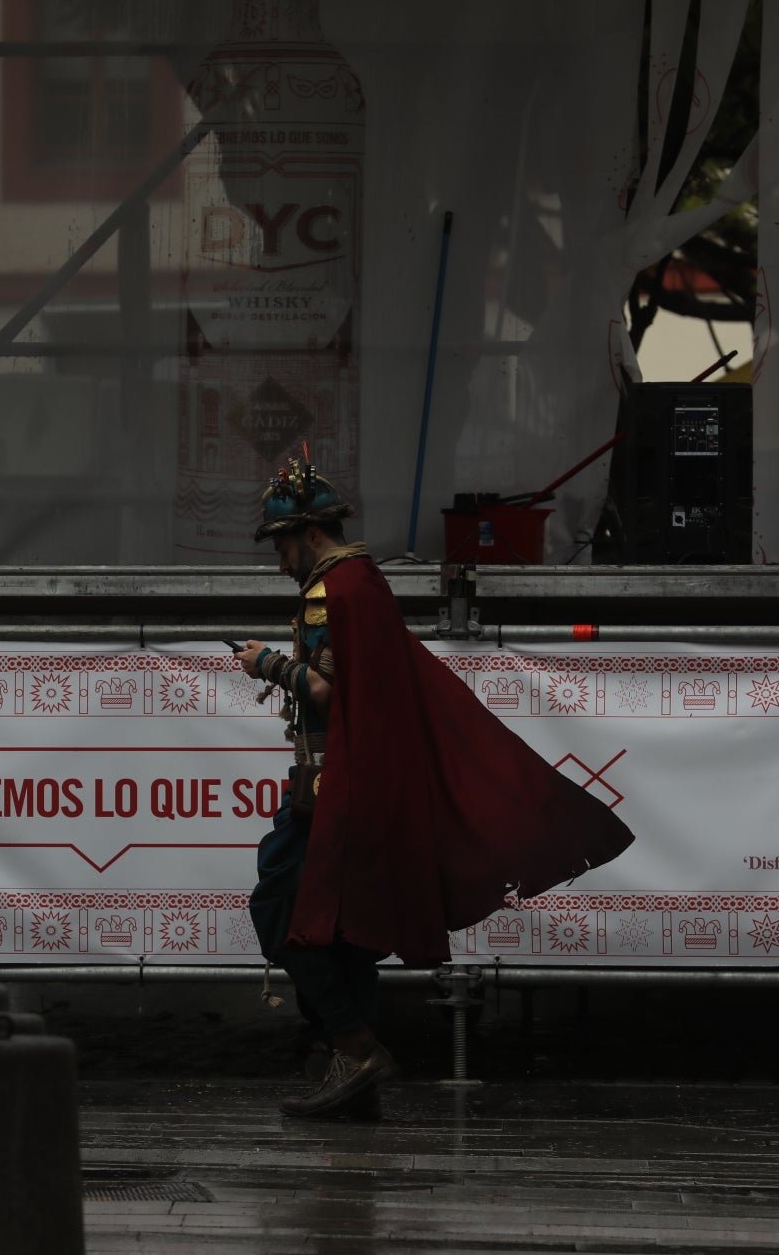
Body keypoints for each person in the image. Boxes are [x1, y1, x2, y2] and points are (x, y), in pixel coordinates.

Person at [237, 452, 634, 1119]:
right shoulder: (366, 581)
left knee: (281, 913)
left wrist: (267, 664)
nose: (280, 563)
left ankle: (354, 1045)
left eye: (282, 547)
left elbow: (333, 693)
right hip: (356, 784)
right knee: (345, 930)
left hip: (330, 787)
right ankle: (351, 1073)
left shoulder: (327, 592)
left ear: (308, 536)